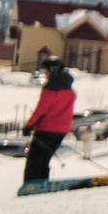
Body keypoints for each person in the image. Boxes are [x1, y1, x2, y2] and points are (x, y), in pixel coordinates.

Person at [21, 57, 75, 187]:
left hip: (46, 129)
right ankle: (42, 184)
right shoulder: (68, 88)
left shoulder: (51, 88)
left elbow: (41, 110)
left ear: (53, 71)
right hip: (61, 131)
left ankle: (31, 185)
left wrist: (29, 126)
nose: (45, 75)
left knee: (34, 159)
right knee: (44, 159)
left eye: (46, 71)